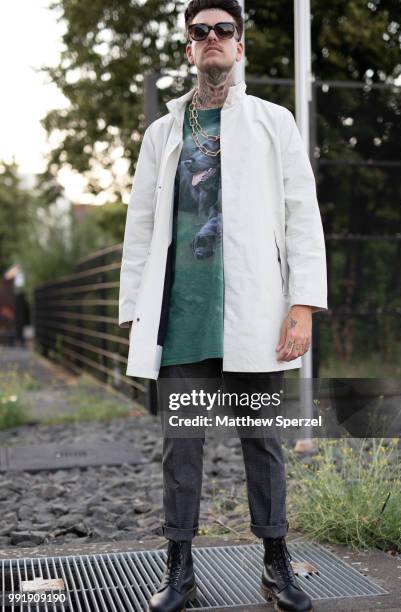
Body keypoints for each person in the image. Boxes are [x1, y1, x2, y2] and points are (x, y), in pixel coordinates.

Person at [119, 1, 327, 610]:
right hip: (181, 322)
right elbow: (141, 227)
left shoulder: (273, 122)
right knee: (180, 448)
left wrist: (303, 306)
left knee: (262, 444)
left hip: (255, 318)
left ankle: (275, 565)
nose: (212, 39)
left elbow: (302, 218)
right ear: (189, 48)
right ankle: (179, 570)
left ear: (239, 46)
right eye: (200, 32)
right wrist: (135, 307)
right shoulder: (162, 134)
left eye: (223, 30)